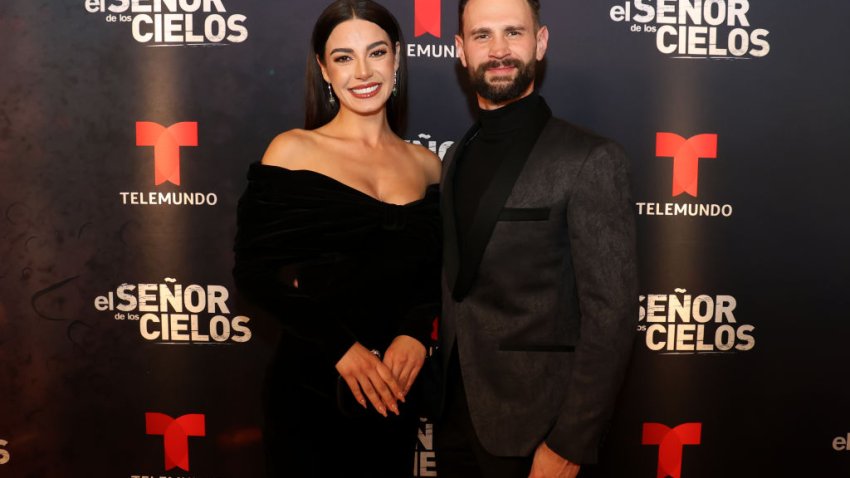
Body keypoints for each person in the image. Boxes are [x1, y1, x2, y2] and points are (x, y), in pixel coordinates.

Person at [232, 1, 441, 476]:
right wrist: (341, 348)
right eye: (344, 57)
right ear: (324, 70)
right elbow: (254, 274)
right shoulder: (293, 151)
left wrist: (413, 332)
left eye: (376, 52)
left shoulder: (428, 165)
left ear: (397, 59)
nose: (363, 71)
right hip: (312, 385)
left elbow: (434, 274)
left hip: (394, 390)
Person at [436, 0, 638, 477]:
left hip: (539, 430)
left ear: (540, 42)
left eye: (514, 33)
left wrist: (569, 443)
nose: (499, 50)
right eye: (482, 36)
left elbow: (612, 315)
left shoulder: (591, 159)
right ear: (461, 51)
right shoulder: (454, 157)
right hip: (454, 419)